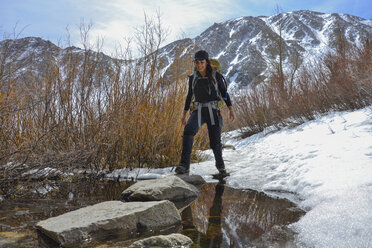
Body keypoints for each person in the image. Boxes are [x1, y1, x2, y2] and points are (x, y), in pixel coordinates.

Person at [175, 50, 235, 176]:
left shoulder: (216, 75)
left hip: (213, 112)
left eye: (201, 62)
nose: (199, 65)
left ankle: (221, 168)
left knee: (215, 143)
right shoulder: (193, 78)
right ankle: (184, 166)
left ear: (207, 62)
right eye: (197, 62)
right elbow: (189, 96)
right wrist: (184, 114)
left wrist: (231, 109)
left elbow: (224, 94)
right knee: (188, 131)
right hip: (198, 111)